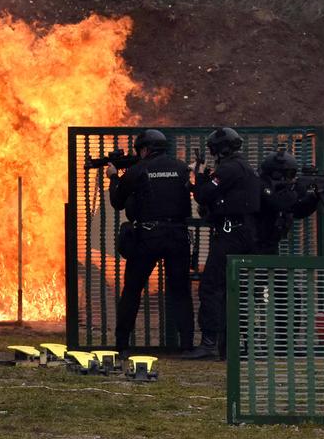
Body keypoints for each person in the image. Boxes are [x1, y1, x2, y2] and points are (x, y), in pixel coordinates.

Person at [106, 129, 193, 357]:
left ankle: (123, 345)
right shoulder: (181, 168)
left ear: (144, 149)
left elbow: (117, 202)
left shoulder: (138, 170)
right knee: (181, 291)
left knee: (132, 290)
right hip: (178, 236)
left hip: (149, 236)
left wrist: (114, 177)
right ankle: (186, 345)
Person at [183, 127, 262, 360]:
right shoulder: (242, 168)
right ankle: (228, 347)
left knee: (211, 286)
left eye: (214, 150)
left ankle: (209, 344)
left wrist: (198, 176)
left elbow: (204, 194)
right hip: (242, 232)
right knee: (232, 290)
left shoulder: (229, 169)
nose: (213, 153)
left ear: (222, 149)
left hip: (231, 234)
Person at [254, 150, 322, 255]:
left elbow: (297, 211)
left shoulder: (279, 190)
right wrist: (296, 190)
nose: (292, 178)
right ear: (276, 173)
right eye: (290, 174)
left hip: (269, 245)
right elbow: (277, 203)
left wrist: (313, 198)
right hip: (252, 246)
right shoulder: (259, 185)